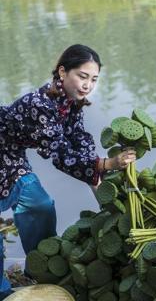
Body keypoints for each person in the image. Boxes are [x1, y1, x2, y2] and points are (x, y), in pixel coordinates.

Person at [0, 44, 136, 298]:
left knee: (40, 204)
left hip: (9, 154)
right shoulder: (39, 104)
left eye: (94, 79)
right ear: (63, 72)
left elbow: (79, 140)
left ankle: (41, 264)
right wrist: (105, 164)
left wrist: (97, 177)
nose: (88, 85)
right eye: (82, 76)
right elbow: (61, 155)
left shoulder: (71, 103)